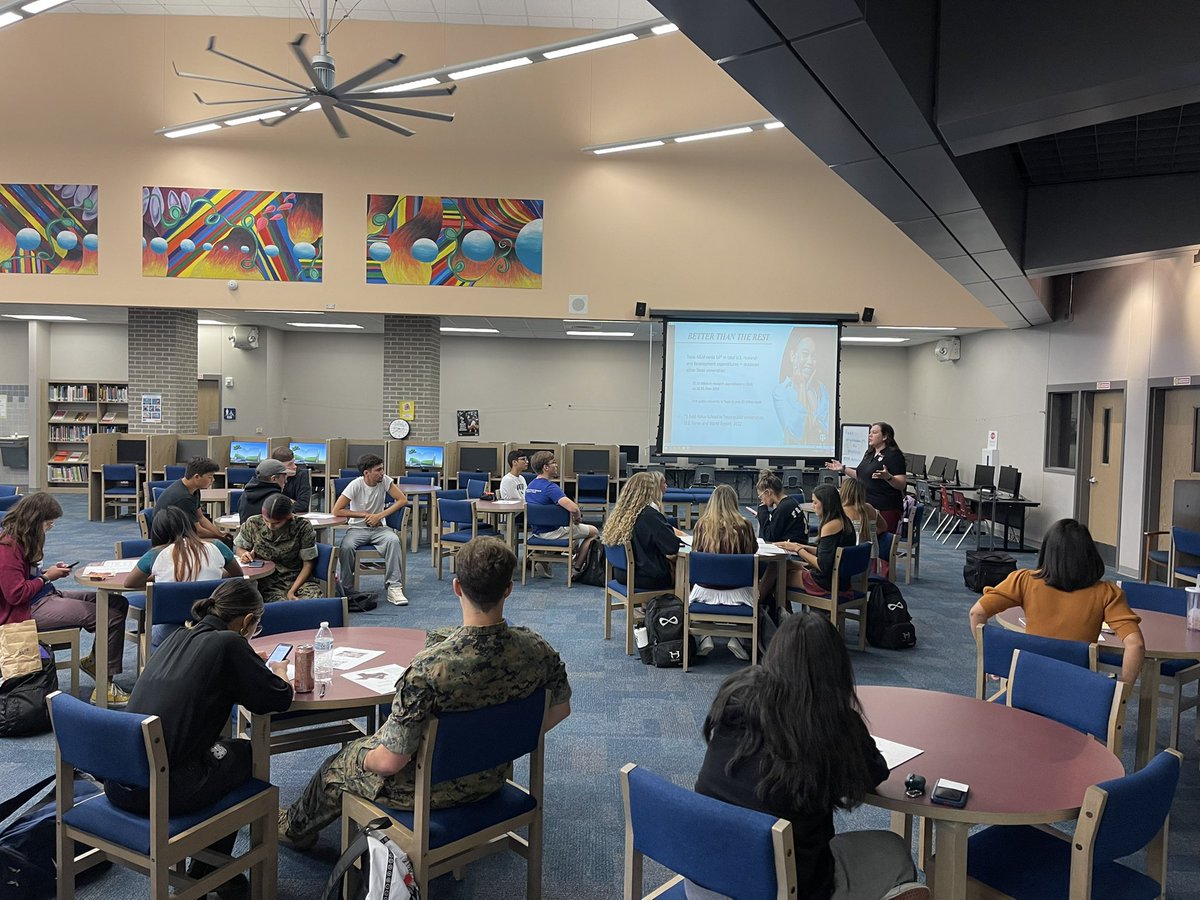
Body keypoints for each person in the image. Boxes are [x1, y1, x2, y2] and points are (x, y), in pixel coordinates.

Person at [279, 537, 572, 850]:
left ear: (457, 587)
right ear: (508, 589)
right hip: (491, 777)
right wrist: (496, 739)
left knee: (337, 766)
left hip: (424, 790)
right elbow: (561, 708)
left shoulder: (428, 669)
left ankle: (293, 830)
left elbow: (390, 763)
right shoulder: (536, 649)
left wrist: (360, 754)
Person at [694, 612, 927, 900]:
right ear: (837, 670)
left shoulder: (735, 695)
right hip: (782, 887)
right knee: (895, 850)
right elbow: (874, 773)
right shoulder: (829, 725)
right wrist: (850, 728)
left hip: (706, 876)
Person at [104, 579, 293, 899]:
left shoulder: (176, 637)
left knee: (220, 754)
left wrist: (246, 663)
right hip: (163, 792)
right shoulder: (230, 644)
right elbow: (277, 698)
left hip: (120, 781)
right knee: (247, 755)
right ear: (248, 621)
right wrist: (281, 671)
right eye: (256, 626)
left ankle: (213, 871)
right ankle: (210, 871)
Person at [969, 518, 1146, 683]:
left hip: (1027, 685)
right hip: (1075, 689)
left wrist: (990, 658)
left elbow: (976, 612)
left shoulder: (1023, 580)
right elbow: (1135, 644)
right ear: (1090, 555)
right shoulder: (1107, 593)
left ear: (1047, 552)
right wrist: (1122, 693)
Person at [0, 492, 130, 706]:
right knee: (110, 617)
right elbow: (15, 594)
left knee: (116, 603)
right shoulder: (8, 547)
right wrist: (46, 578)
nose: (50, 527)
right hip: (25, 610)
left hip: (43, 597)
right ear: (35, 520)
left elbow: (27, 576)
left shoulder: (23, 539)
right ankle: (104, 687)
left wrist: (48, 573)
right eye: (48, 523)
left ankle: (95, 663)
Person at [689, 483, 757, 660]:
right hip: (738, 592)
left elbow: (697, 553)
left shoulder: (701, 525)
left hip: (705, 591)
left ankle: (705, 636)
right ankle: (738, 638)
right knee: (760, 584)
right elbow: (752, 552)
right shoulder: (745, 525)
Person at [331, 454, 409, 606]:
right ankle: (347, 588)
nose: (382, 473)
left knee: (393, 541)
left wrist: (379, 515)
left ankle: (394, 587)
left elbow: (402, 500)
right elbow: (337, 510)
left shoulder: (385, 481)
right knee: (346, 547)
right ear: (366, 473)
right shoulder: (355, 485)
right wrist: (364, 515)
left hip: (380, 529)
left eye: (382, 469)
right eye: (378, 470)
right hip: (357, 529)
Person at [125, 506, 243, 591]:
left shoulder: (155, 554)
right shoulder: (216, 546)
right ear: (189, 525)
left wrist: (157, 576)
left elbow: (130, 583)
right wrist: (216, 571)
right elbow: (238, 575)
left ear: (158, 533)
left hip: (169, 614)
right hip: (210, 613)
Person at [234, 493, 325, 602]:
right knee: (277, 606)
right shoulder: (253, 523)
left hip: (298, 578)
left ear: (289, 516)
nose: (270, 526)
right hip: (267, 581)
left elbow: (308, 564)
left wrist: (291, 591)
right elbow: (239, 548)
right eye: (266, 521)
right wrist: (244, 554)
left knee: (311, 603)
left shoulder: (302, 527)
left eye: (276, 523)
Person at [601, 471, 681, 592]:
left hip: (621, 574)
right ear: (650, 491)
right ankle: (679, 603)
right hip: (646, 577)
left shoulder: (619, 514)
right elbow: (672, 547)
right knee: (686, 571)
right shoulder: (650, 516)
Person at [524, 451, 599, 576]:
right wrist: (577, 519)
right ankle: (577, 568)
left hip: (537, 532)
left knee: (574, 531)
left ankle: (544, 561)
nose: (556, 465)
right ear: (545, 467)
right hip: (554, 533)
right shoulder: (551, 488)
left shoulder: (530, 486)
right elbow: (573, 508)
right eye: (553, 463)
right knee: (594, 532)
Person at [776, 483, 857, 597]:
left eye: (815, 502)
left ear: (826, 504)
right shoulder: (844, 521)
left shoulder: (829, 527)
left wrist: (798, 549)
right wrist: (801, 546)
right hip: (842, 580)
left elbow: (822, 565)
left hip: (825, 582)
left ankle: (761, 603)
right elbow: (828, 554)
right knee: (782, 566)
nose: (812, 506)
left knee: (777, 574)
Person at [825, 422, 907, 534]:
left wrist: (888, 477)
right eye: (870, 432)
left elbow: (901, 484)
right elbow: (861, 476)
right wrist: (843, 468)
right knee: (864, 536)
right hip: (866, 505)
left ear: (885, 436)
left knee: (882, 537)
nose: (870, 435)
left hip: (885, 506)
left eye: (874, 432)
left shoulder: (894, 455)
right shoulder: (869, 453)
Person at [772, 331, 831, 448]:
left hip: (819, 453)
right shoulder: (781, 391)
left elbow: (825, 431)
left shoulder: (822, 390)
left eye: (813, 356)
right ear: (793, 356)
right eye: (805, 354)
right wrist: (802, 387)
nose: (810, 362)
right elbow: (795, 435)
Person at [155, 456, 225, 540]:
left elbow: (200, 517)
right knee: (216, 544)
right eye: (210, 477)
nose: (213, 480)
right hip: (169, 541)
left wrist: (221, 535)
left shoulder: (194, 490)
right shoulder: (183, 498)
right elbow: (198, 531)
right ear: (197, 477)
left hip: (182, 534)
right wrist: (220, 537)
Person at [754, 471, 808, 545]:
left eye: (761, 496)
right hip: (799, 543)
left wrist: (762, 512)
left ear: (768, 492)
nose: (761, 500)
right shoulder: (790, 501)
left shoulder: (782, 509)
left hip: (792, 548)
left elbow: (769, 536)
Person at [840, 478, 886, 561]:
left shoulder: (843, 511)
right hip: (870, 554)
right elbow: (883, 527)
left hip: (850, 555)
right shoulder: (870, 508)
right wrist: (871, 532)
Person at [237, 458, 290, 523]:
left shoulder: (244, 496)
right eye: (284, 477)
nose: (286, 481)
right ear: (273, 479)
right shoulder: (278, 501)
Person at [272, 446, 311, 514]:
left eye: (294, 462)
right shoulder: (271, 476)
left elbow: (303, 506)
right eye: (290, 464)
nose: (295, 466)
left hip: (293, 516)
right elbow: (268, 504)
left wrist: (280, 500)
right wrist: (290, 501)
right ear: (278, 466)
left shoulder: (301, 475)